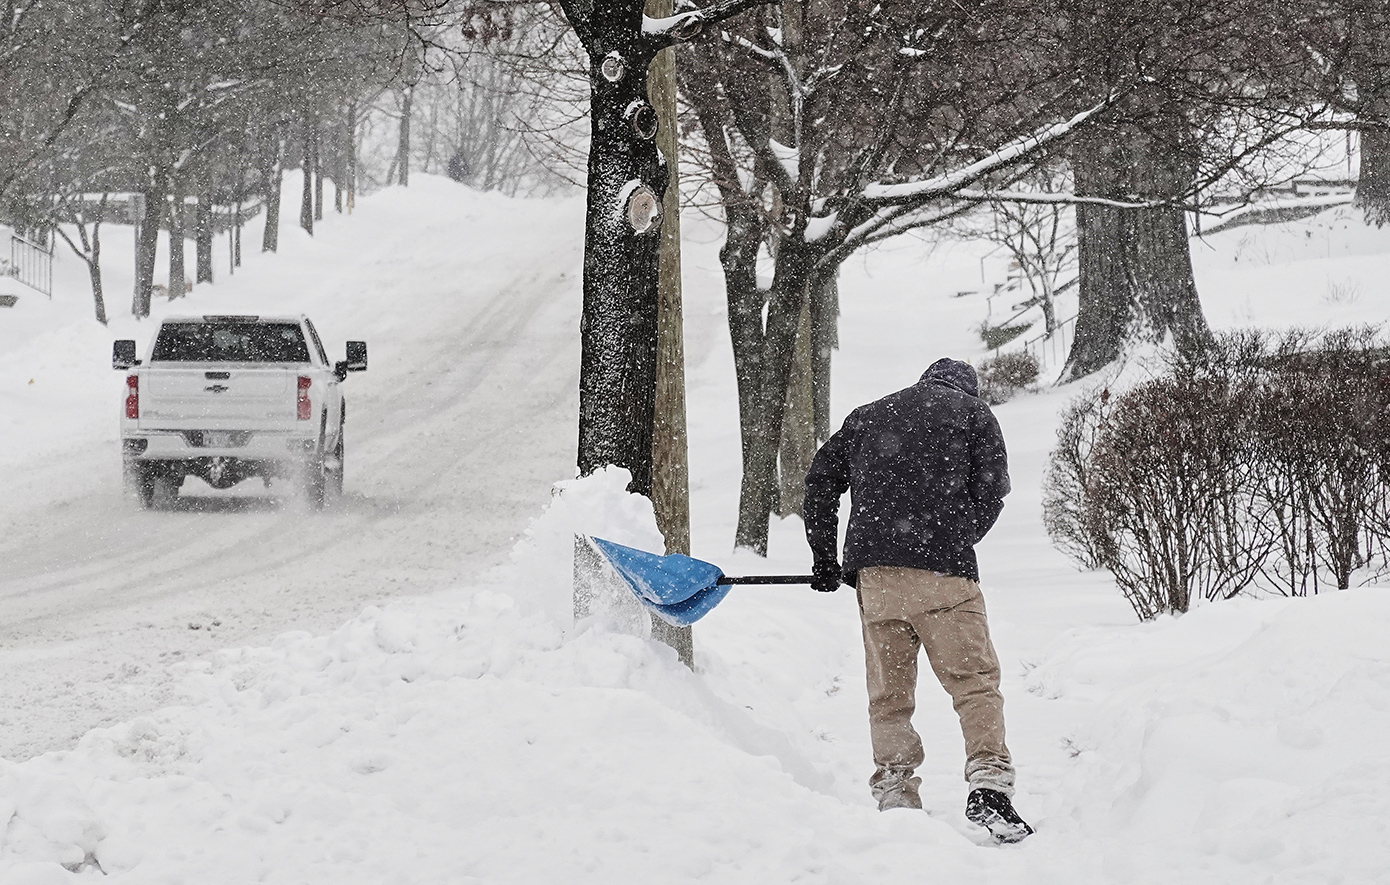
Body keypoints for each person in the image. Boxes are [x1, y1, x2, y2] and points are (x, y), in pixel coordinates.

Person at [803, 357, 1033, 843]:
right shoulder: (973, 414)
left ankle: (896, 792)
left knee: (889, 695)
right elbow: (992, 491)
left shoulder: (868, 415)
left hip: (878, 579)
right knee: (974, 683)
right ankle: (989, 782)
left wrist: (825, 557)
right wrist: (956, 536)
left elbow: (820, 482)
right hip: (944, 575)